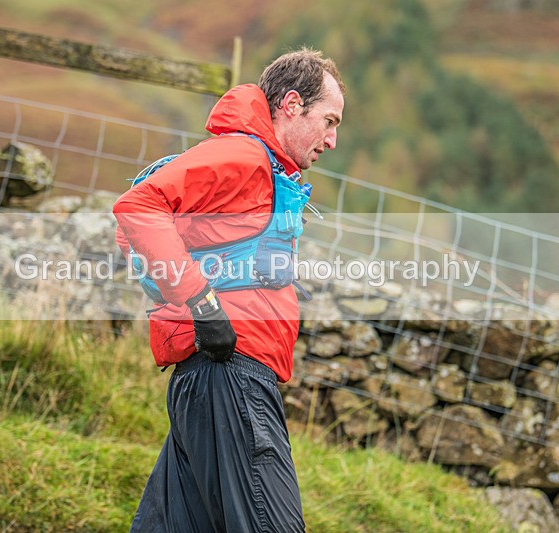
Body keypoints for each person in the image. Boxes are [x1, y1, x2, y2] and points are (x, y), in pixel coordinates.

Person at [113, 47, 345, 532]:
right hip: (231, 375)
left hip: (209, 380)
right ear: (292, 105)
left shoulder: (265, 168)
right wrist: (202, 302)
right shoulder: (243, 156)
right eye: (328, 120)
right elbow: (138, 207)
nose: (333, 139)